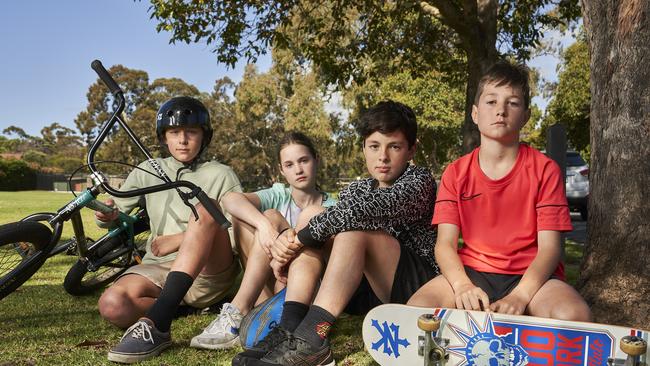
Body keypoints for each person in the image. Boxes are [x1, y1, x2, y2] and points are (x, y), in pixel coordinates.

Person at [235, 100, 440, 366]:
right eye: (374, 146)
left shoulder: (419, 182)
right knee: (312, 214)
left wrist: (296, 240)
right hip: (364, 290)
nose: (383, 157)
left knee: (349, 230)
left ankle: (313, 338)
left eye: (395, 147)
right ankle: (290, 329)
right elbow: (330, 221)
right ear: (364, 147)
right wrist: (295, 245)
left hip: (412, 285)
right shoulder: (357, 189)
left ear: (411, 150)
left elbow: (362, 212)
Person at [408, 61, 592, 322]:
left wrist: (521, 296)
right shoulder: (456, 172)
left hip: (532, 278)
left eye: (513, 103)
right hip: (472, 272)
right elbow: (445, 245)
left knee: (574, 314)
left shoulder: (545, 170)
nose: (501, 111)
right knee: (417, 309)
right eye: (491, 101)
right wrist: (462, 286)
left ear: (526, 115)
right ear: (474, 113)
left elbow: (550, 249)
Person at [96, 97, 242, 364]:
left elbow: (236, 233)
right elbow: (115, 211)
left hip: (208, 270)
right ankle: (178, 305)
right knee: (111, 305)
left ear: (204, 136)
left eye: (191, 132)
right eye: (174, 132)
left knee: (205, 207)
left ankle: (158, 322)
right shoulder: (148, 170)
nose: (183, 140)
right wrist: (106, 214)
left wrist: (180, 239)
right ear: (164, 137)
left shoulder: (222, 174)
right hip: (158, 267)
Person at [189, 131, 336, 350]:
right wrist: (265, 227)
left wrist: (283, 239)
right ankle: (242, 309)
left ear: (316, 160)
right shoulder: (279, 195)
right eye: (289, 164)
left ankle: (247, 310)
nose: (298, 169)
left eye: (304, 160)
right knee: (263, 216)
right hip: (272, 281)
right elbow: (230, 199)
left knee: (276, 217)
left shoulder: (333, 205)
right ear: (281, 170)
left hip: (308, 287)